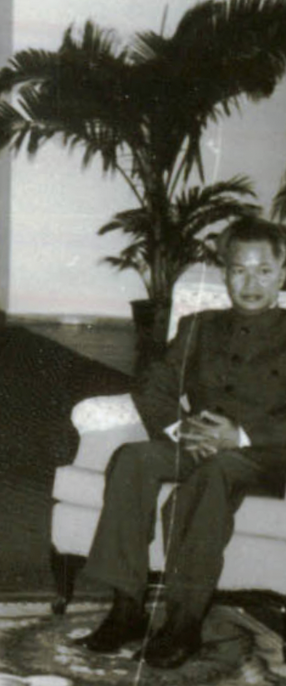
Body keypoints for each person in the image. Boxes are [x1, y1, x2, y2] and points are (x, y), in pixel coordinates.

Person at [76, 216, 286, 670]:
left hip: (267, 455)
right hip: (196, 441)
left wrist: (241, 436)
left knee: (216, 473)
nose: (250, 283)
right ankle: (126, 609)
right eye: (239, 270)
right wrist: (181, 429)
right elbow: (154, 388)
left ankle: (184, 622)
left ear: (282, 273)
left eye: (263, 271)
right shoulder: (199, 326)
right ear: (225, 272)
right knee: (131, 458)